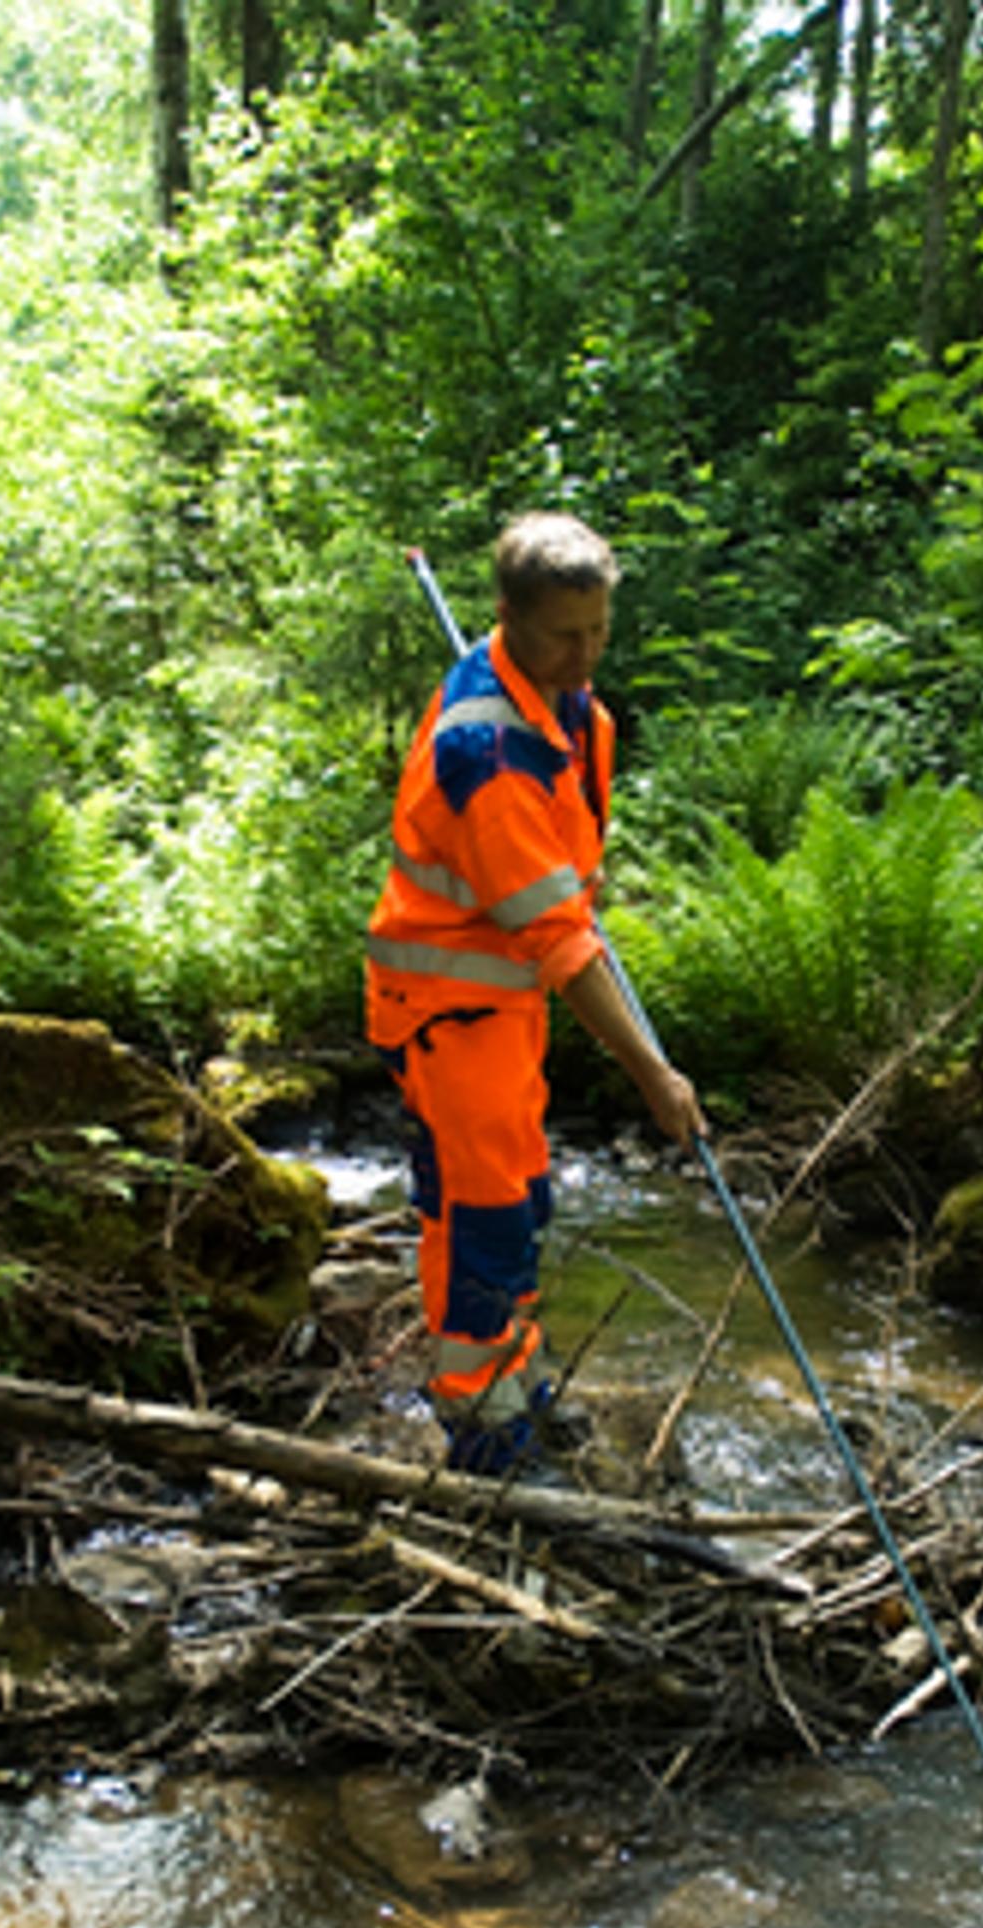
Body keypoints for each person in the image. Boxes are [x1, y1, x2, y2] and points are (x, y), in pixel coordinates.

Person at [369, 511, 706, 1476]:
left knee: (521, 1197)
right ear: (508, 616)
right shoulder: (488, 754)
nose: (588, 652)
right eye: (566, 634)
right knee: (477, 1210)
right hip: (445, 1009)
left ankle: (514, 1369)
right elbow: (558, 937)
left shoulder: (563, 705)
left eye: (599, 630)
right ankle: (478, 1416)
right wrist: (653, 1073)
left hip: (503, 1005)